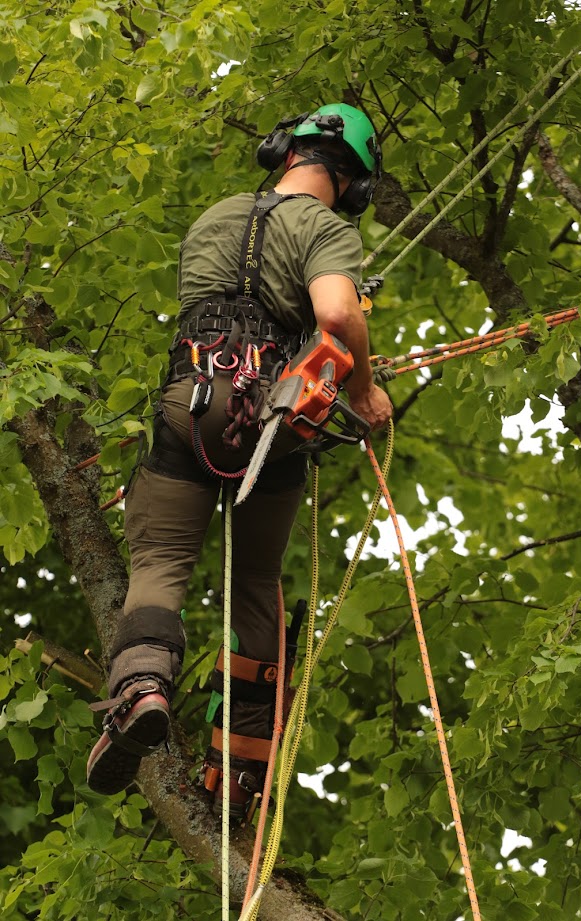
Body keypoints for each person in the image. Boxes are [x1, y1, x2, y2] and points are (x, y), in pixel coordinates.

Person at [86, 103, 393, 817]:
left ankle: (141, 690)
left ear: (283, 150)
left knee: (160, 561)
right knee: (255, 581)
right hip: (275, 421)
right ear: (355, 184)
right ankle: (241, 773)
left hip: (191, 403)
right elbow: (338, 318)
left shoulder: (216, 216)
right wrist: (366, 388)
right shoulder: (327, 229)